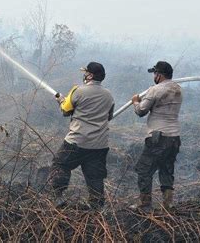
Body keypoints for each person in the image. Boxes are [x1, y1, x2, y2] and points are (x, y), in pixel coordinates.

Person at [44, 62, 114, 210]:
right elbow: (109, 116)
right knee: (95, 176)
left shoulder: (78, 91)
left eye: (86, 72)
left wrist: (61, 100)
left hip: (77, 141)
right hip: (99, 145)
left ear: (90, 75)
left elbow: (65, 110)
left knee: (60, 164)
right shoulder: (109, 95)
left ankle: (58, 197)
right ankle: (96, 208)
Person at [130, 61, 182, 212]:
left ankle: (144, 203)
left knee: (144, 169)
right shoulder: (178, 89)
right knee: (166, 169)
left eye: (154, 73)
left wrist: (135, 101)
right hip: (174, 137)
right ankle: (168, 203)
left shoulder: (154, 90)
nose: (154, 76)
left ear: (159, 75)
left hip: (159, 137)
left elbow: (141, 111)